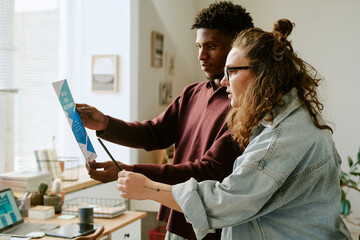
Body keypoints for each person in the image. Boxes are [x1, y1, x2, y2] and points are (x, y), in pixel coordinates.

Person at [115, 19, 352, 240]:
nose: (225, 81)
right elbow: (153, 131)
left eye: (233, 71)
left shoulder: (283, 137)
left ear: (262, 74)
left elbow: (223, 201)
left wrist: (146, 187)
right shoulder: (276, 121)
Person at [76, 2, 253, 240]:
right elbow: (153, 133)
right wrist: (105, 123)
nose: (201, 56)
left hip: (213, 226)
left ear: (237, 47)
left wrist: (131, 171)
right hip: (177, 219)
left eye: (211, 46)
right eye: (199, 46)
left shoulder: (244, 105)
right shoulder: (192, 93)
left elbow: (208, 171)